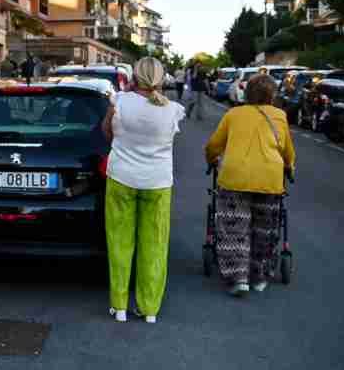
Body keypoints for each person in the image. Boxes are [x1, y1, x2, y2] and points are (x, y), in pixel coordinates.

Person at [100, 57, 186, 323]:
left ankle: (120, 306)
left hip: (121, 178)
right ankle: (149, 309)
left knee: (120, 243)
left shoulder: (120, 102)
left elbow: (107, 134)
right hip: (158, 183)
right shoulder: (173, 109)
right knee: (154, 245)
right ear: (161, 80)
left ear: (134, 77)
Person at [204, 74, 295, 297]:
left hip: (235, 178)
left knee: (234, 229)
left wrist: (212, 159)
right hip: (270, 179)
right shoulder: (280, 116)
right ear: (272, 95)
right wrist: (290, 168)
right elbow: (287, 151)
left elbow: (214, 145)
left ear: (247, 93)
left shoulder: (233, 114)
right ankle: (260, 276)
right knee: (264, 230)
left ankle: (239, 278)